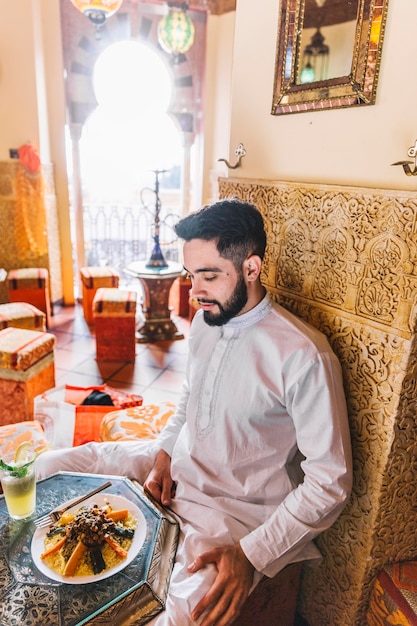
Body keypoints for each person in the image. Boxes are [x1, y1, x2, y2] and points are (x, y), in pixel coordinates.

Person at [36, 199, 352, 626]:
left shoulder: (303, 356)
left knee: (174, 620)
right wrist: (164, 453)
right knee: (53, 465)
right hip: (173, 466)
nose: (194, 291)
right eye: (190, 275)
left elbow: (330, 484)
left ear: (252, 268)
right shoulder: (205, 322)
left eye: (209, 275)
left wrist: (250, 554)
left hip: (234, 511)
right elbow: (190, 396)